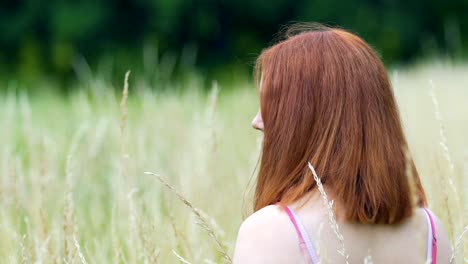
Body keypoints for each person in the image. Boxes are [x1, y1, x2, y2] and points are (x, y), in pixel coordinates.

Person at [233, 24, 452, 264]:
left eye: (271, 105)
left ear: (308, 118)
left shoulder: (268, 233)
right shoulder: (431, 232)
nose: (257, 121)